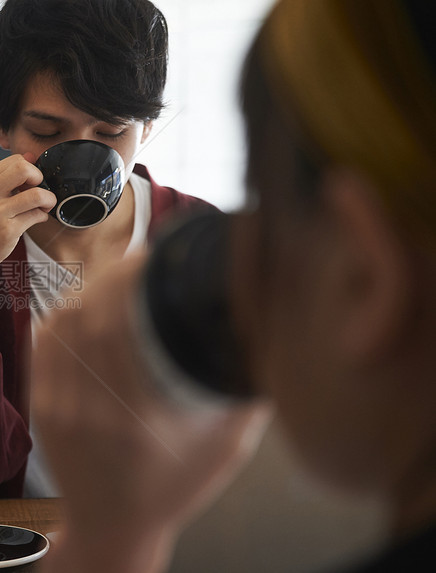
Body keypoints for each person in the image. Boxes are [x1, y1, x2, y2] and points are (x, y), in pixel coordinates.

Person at [31, 0, 436, 570]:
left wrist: (108, 540)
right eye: (46, 130)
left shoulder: (181, 230)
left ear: (366, 275)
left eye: (263, 207)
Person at [0, 0, 212, 505]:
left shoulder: (201, 245)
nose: (82, 155)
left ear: (147, 125)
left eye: (112, 132)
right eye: (47, 133)